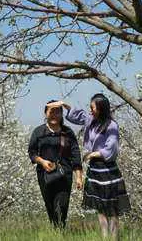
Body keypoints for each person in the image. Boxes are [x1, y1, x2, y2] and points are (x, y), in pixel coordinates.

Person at [50, 94, 131, 239]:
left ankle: (115, 238)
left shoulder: (112, 125)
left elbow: (111, 149)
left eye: (92, 107)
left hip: (108, 170)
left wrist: (92, 154)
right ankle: (104, 237)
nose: (90, 110)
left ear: (100, 108)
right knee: (100, 207)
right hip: (94, 170)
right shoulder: (92, 120)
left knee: (111, 208)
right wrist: (65, 105)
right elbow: (78, 116)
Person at [28, 100, 84, 229]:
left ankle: (60, 230)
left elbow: (75, 155)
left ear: (62, 114)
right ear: (45, 113)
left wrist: (79, 177)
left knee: (62, 206)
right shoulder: (39, 132)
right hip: (45, 175)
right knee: (50, 205)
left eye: (57, 112)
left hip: (65, 174)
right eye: (51, 112)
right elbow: (31, 152)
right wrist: (42, 161)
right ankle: (55, 231)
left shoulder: (68, 132)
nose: (54, 115)